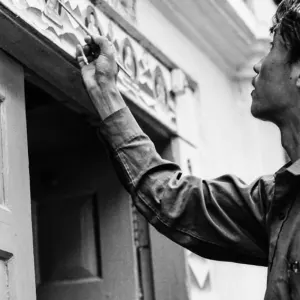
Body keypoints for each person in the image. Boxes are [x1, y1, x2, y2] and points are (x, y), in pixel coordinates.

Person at [76, 1, 300, 299]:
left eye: (273, 48)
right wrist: (105, 92)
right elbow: (179, 200)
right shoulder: (280, 201)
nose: (259, 64)